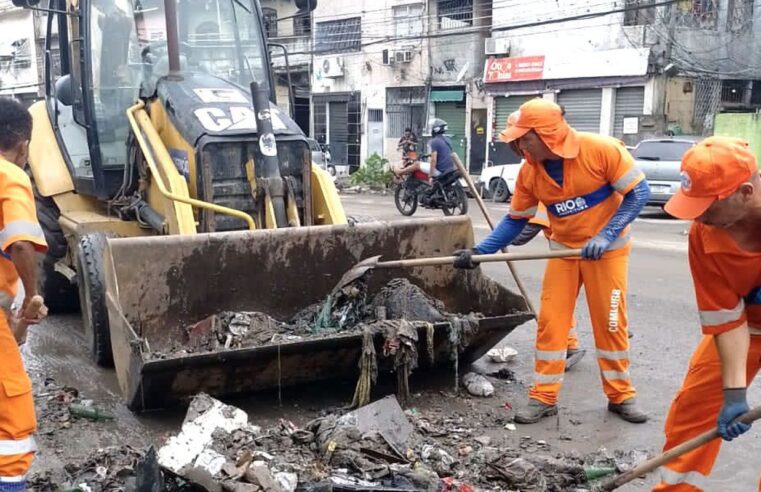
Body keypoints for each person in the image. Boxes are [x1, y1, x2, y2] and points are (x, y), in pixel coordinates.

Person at [453, 98, 650, 424]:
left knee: (611, 325)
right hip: (563, 251)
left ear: (548, 135)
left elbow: (638, 193)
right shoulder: (530, 172)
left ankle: (621, 396)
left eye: (523, 138)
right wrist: (479, 253)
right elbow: (516, 220)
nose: (516, 144)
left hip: (608, 252)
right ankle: (544, 398)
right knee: (551, 326)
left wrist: (605, 235)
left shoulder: (600, 151)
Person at [653, 137, 761, 491]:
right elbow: (725, 317)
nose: (698, 216)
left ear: (744, 192)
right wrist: (733, 394)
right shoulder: (705, 233)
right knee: (694, 412)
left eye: (707, 206)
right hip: (748, 329)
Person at [0, 97, 49, 491]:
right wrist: (32, 297)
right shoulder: (10, 175)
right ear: (23, 145)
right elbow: (19, 243)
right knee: (14, 418)